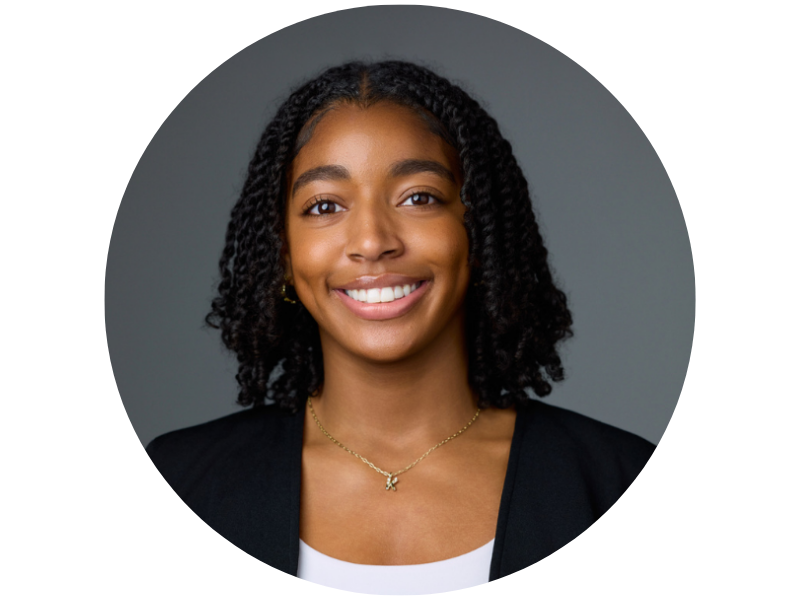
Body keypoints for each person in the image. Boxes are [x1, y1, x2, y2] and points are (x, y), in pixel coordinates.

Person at [146, 60, 655, 594]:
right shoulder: (177, 484)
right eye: (324, 206)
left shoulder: (622, 484)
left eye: (419, 197)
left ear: (478, 234)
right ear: (283, 253)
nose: (371, 241)